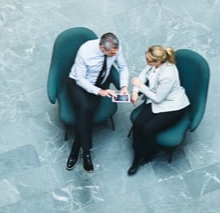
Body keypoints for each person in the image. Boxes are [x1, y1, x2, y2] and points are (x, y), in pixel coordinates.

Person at [66, 32, 129, 172]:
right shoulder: (85, 51)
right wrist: (100, 92)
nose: (115, 55)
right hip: (78, 85)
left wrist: (124, 86)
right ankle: (86, 153)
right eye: (111, 54)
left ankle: (76, 150)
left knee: (85, 115)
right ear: (102, 48)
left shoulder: (116, 48)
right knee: (84, 109)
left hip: (99, 84)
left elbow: (123, 67)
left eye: (115, 53)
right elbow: (80, 79)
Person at [128, 45, 190, 175]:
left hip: (172, 106)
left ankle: (149, 153)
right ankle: (137, 152)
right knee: (138, 124)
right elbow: (143, 74)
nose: (146, 61)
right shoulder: (154, 63)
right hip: (156, 99)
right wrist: (135, 91)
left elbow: (158, 99)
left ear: (158, 61)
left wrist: (140, 87)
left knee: (148, 129)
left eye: (148, 60)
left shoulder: (168, 75)